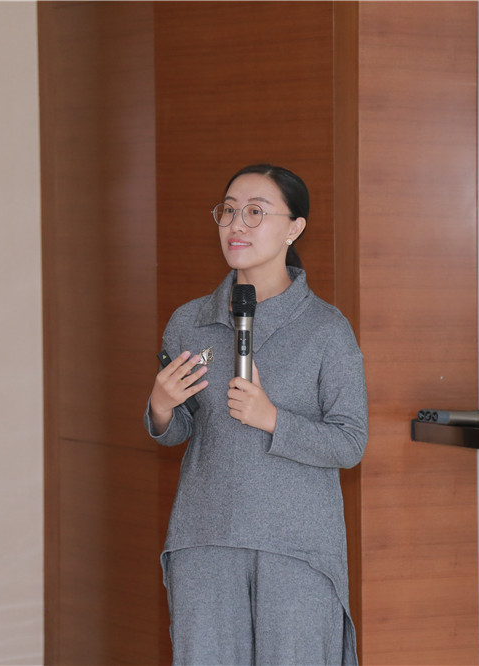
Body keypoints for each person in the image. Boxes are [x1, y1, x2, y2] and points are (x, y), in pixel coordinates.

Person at [144, 164, 368, 665]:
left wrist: (272, 418)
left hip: (297, 547)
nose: (236, 225)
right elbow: (182, 428)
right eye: (228, 211)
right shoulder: (189, 321)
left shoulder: (326, 329)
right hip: (205, 538)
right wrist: (160, 407)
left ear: (294, 228)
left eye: (254, 212)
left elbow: (350, 442)